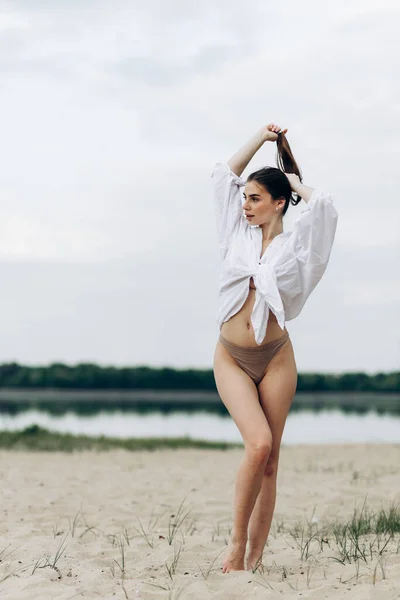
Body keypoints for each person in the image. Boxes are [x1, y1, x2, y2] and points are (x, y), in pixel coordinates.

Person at [211, 123, 339, 573]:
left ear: (279, 202)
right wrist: (261, 138)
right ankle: (234, 546)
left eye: (255, 198)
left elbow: (322, 207)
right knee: (258, 444)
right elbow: (222, 176)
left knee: (270, 461)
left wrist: (291, 176)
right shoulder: (236, 234)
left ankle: (255, 557)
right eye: (244, 198)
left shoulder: (296, 248)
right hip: (232, 356)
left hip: (277, 356)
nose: (245, 205)